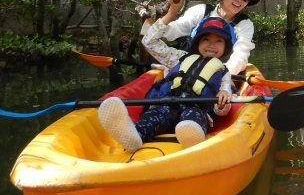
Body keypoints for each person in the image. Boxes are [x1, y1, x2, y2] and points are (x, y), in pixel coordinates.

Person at [99, 17, 237, 151]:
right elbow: (149, 42)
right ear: (197, 42)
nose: (211, 44)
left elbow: (224, 98)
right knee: (155, 114)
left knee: (193, 116)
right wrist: (170, 15)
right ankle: (135, 135)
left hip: (196, 108)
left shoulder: (223, 71)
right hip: (168, 104)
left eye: (219, 41)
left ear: (226, 47)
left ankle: (192, 136)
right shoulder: (178, 57)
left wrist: (222, 103)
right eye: (206, 39)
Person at [142, 0, 260, 77]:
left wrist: (220, 75)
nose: (240, 0)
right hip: (189, 67)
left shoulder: (245, 24)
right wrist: (171, 14)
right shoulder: (200, 11)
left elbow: (240, 54)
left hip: (222, 71)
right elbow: (169, 33)